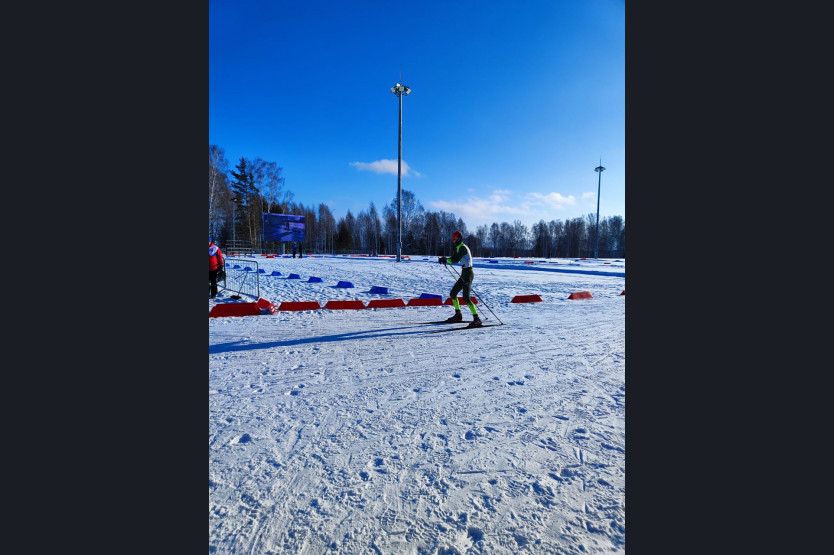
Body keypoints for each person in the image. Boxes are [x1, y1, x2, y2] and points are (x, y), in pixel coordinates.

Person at [438, 230, 481, 326]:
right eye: (453, 240)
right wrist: (445, 259)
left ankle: (477, 319)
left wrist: (446, 260)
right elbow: (453, 258)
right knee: (453, 293)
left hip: (468, 274)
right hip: (464, 273)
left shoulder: (462, 248)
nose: (453, 241)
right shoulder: (459, 248)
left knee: (466, 298)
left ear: (459, 238)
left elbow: (455, 259)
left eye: (455, 239)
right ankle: (458, 315)